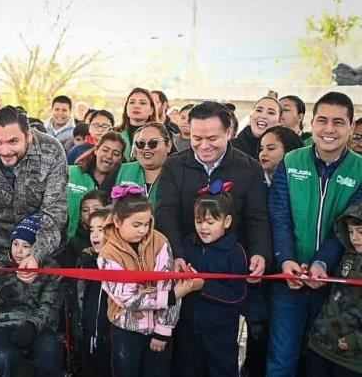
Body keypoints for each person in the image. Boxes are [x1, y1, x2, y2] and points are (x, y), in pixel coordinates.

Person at [154, 101, 272, 376]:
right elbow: (166, 212)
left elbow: (257, 216)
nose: (204, 145)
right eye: (196, 138)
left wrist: (260, 253)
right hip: (186, 265)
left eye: (212, 138)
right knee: (186, 353)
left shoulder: (248, 168)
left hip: (226, 270)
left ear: (229, 132)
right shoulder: (174, 166)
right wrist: (177, 255)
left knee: (221, 354)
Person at [268, 92, 362, 376]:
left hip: (337, 285)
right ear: (312, 122)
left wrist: (322, 263)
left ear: (351, 125)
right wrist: (286, 260)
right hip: (289, 280)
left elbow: (348, 226)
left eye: (338, 122)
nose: (329, 129)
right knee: (282, 360)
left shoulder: (360, 170)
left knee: (322, 364)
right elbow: (279, 215)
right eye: (322, 120)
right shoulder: (290, 162)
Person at [0, 105, 68, 283]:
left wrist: (36, 255)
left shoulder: (51, 151)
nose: (5, 150)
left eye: (13, 142)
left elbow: (54, 214)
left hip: (44, 254)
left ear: (29, 136)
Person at [97, 186, 189, 376]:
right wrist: (170, 297)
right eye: (136, 225)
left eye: (147, 224)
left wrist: (163, 330)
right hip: (125, 329)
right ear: (117, 221)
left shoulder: (161, 242)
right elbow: (127, 298)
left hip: (159, 329)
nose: (143, 230)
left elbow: (169, 283)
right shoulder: (108, 254)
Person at [172, 180, 248, 376]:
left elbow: (237, 296)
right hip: (188, 330)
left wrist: (203, 285)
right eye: (199, 221)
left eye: (211, 222)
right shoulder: (188, 245)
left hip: (220, 334)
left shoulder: (236, 252)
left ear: (227, 222)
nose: (203, 227)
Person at [0, 214, 63, 377]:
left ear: (36, 248)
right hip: (3, 324)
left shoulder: (50, 270)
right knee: (6, 357)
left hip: (38, 326)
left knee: (49, 350)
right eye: (15, 244)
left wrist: (32, 325)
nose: (18, 250)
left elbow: (50, 306)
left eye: (26, 246)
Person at [307, 202, 362, 376]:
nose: (355, 238)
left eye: (360, 232)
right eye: (351, 231)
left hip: (351, 359)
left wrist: (356, 340)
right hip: (320, 345)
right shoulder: (347, 254)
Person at [66, 132, 126, 240]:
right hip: (66, 243)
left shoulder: (122, 183)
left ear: (121, 159)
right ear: (96, 150)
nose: (109, 156)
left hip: (105, 245)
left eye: (116, 154)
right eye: (105, 150)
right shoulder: (72, 173)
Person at [79, 208, 112, 377]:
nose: (95, 235)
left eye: (101, 229)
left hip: (112, 337)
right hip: (90, 332)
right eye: (92, 230)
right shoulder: (86, 261)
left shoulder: (119, 263)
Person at [118, 87, 157, 160]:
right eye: (132, 102)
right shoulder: (114, 133)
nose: (136, 106)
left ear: (151, 110)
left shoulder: (161, 135)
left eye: (142, 103)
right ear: (126, 108)